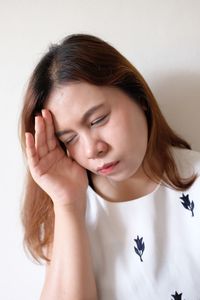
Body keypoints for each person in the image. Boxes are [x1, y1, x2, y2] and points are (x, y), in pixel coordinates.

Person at [20, 34, 200, 300]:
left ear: (138, 97)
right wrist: (68, 205)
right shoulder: (68, 210)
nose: (93, 149)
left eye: (98, 120)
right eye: (69, 139)